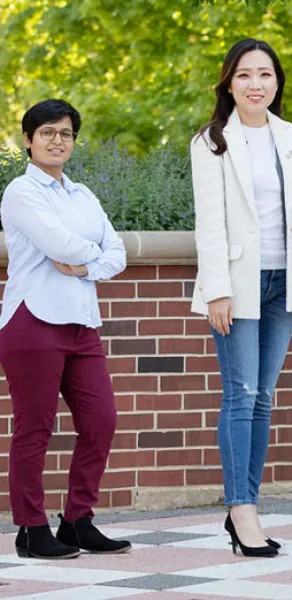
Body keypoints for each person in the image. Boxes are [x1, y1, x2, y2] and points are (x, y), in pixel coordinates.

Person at [190, 39, 292, 557]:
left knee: (264, 397)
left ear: (278, 82)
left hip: (284, 281)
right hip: (237, 285)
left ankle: (247, 504)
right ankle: (241, 508)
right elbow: (209, 223)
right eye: (245, 75)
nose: (256, 84)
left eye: (265, 75)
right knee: (241, 394)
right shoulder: (211, 142)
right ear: (229, 82)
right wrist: (218, 291)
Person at [0, 99, 131, 559]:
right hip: (33, 320)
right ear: (29, 140)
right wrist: (92, 255)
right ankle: (31, 529)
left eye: (66, 133)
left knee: (101, 421)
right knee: (34, 429)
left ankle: (77, 520)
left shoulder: (83, 195)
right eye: (48, 132)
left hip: (81, 323)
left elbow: (118, 253)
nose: (59, 140)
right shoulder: (21, 191)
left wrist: (85, 266)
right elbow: (57, 243)